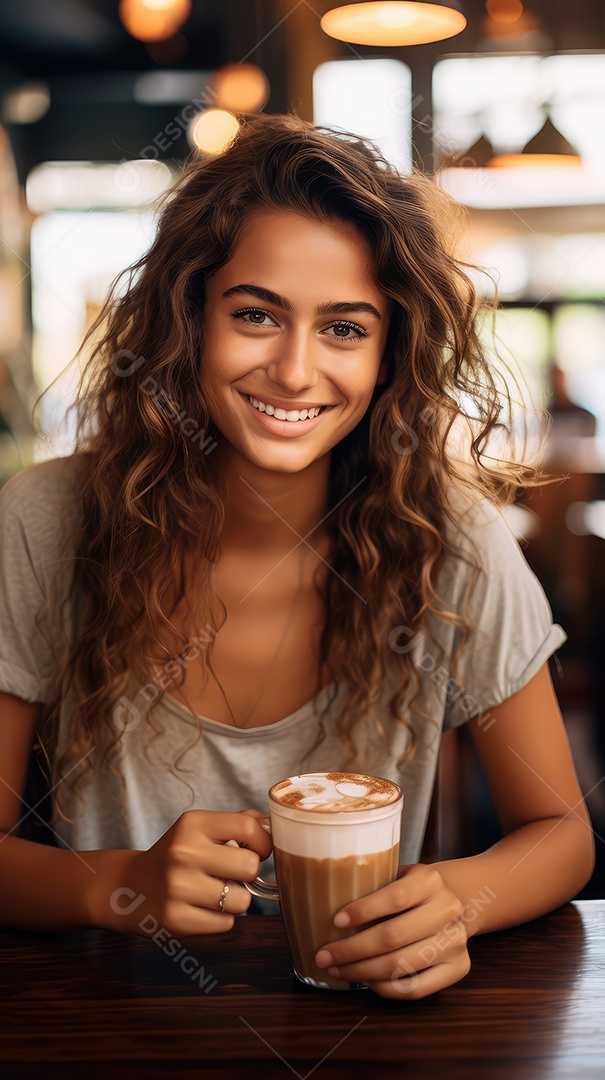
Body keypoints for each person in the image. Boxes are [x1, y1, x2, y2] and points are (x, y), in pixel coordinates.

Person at [0, 114, 594, 1001]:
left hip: (376, 1035)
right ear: (187, 317)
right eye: (255, 315)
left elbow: (559, 827)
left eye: (345, 328)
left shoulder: (452, 542)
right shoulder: (44, 521)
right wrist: (121, 885)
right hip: (116, 1029)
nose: (293, 369)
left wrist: (463, 897)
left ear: (390, 352)